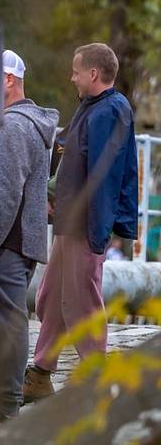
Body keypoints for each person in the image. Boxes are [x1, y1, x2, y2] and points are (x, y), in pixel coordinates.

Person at [24, 42, 138, 403]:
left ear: (93, 74)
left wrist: (97, 233)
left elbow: (105, 176)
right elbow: (72, 164)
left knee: (81, 302)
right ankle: (41, 373)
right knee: (51, 297)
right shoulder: (91, 109)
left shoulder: (110, 111)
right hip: (70, 223)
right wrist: (52, 196)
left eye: (76, 71)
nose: (71, 77)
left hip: (85, 226)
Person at [0, 50, 59, 431]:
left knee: (6, 327)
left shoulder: (12, 127)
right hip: (19, 242)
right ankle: (6, 407)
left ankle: (7, 410)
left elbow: (7, 193)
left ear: (8, 80)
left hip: (6, 244)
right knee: (3, 325)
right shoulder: (27, 124)